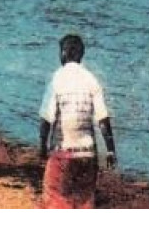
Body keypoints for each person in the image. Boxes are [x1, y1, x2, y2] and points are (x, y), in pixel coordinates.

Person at [38, 33, 117, 209]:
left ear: (64, 54)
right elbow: (103, 120)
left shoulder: (56, 79)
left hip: (63, 153)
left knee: (54, 198)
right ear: (81, 55)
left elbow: (46, 119)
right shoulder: (91, 79)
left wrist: (43, 147)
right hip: (88, 155)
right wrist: (110, 151)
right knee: (84, 203)